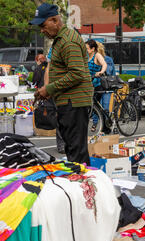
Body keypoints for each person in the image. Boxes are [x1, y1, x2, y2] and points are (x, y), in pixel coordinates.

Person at [31, 3, 93, 166]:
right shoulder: (61, 40)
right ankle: (81, 185)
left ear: (54, 20)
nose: (42, 30)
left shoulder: (68, 41)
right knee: (74, 150)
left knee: (77, 153)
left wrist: (49, 88)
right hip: (69, 102)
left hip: (74, 103)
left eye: (43, 26)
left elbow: (77, 74)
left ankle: (83, 188)